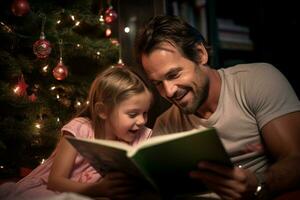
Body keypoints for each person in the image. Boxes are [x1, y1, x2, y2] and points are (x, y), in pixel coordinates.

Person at [134, 15, 300, 199]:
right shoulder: (165, 123)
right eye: (158, 83)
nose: (168, 91)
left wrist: (258, 184)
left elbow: (295, 159)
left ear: (200, 54)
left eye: (174, 74)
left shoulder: (257, 81)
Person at [0, 66, 153, 200]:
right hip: (54, 191)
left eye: (145, 113)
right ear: (103, 111)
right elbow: (55, 181)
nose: (141, 121)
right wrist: (97, 190)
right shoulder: (79, 129)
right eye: (133, 114)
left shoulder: (140, 137)